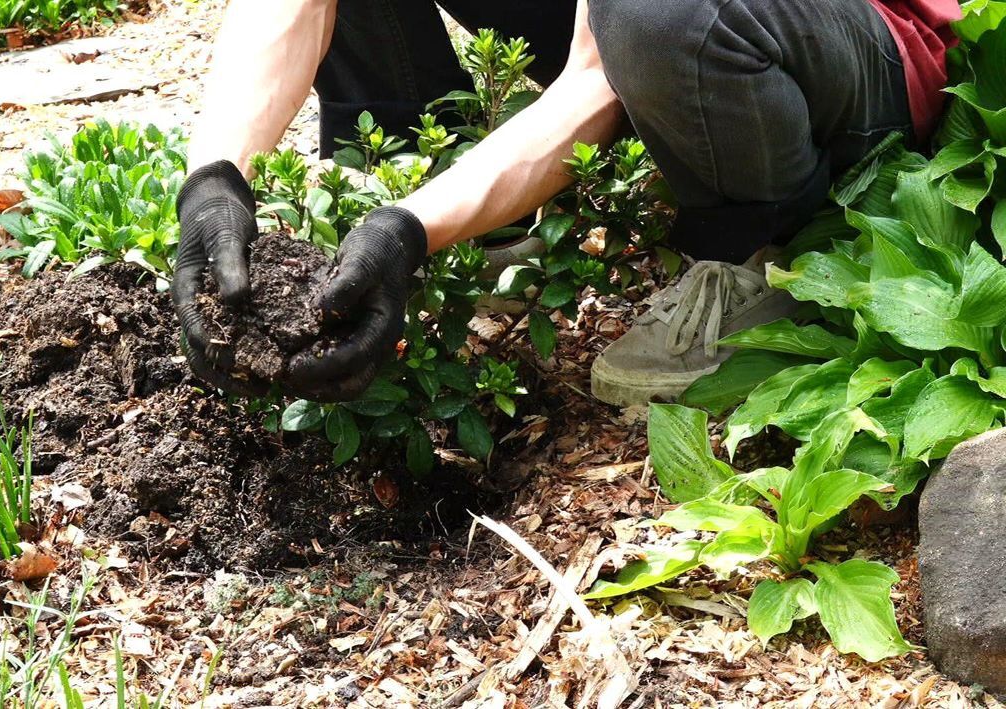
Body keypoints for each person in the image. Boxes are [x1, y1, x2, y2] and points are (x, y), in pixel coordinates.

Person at [172, 0, 961, 407]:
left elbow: (596, 78)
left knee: (657, 17)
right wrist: (212, 182)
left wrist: (408, 232)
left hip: (851, 46)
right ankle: (439, 180)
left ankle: (757, 249)